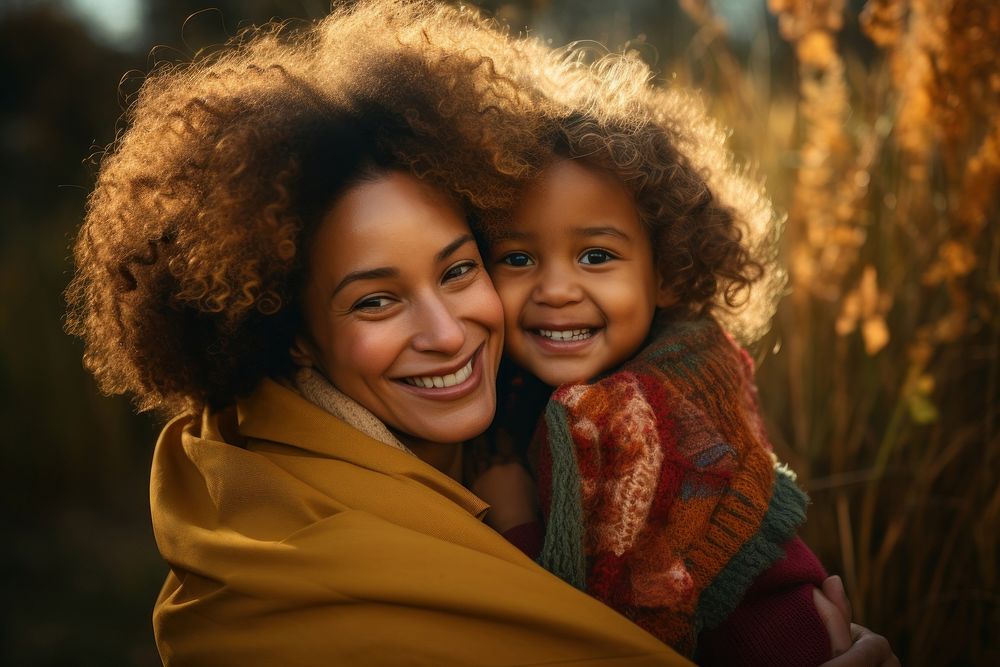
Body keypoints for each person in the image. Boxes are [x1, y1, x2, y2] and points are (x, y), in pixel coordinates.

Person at [66, 0, 898, 664]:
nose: (448, 332)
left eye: (460, 269)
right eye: (375, 301)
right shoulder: (271, 560)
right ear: (294, 336)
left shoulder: (582, 413)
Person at [475, 50, 898, 666]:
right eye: (517, 258)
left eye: (596, 256)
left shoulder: (630, 419)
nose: (556, 289)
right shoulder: (645, 372)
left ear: (667, 274)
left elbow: (597, 633)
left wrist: (514, 524)